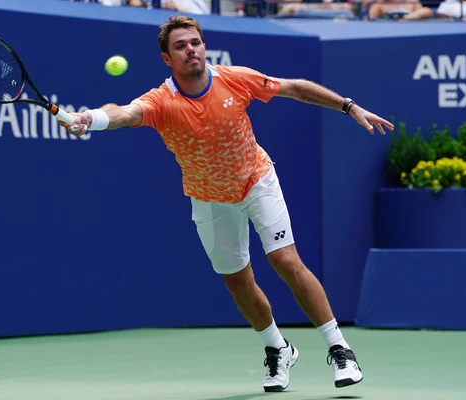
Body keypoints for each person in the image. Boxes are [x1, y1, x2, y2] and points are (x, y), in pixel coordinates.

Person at [60, 14, 393, 393]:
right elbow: (123, 113)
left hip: (256, 179)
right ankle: (277, 349)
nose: (191, 50)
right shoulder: (161, 101)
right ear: (168, 59)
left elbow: (295, 88)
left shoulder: (233, 78)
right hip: (209, 197)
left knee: (285, 259)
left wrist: (349, 107)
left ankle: (339, 348)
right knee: (238, 282)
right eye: (181, 46)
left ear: (204, 46)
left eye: (195, 43)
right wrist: (91, 118)